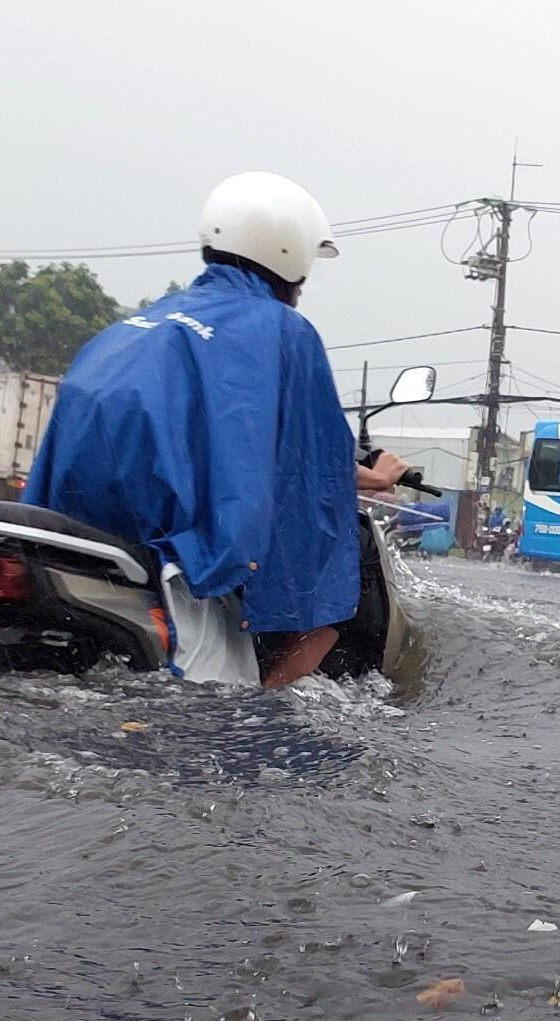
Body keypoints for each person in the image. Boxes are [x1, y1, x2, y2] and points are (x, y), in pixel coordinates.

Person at [22, 171, 409, 689]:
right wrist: (377, 479)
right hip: (175, 555)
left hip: (76, 544)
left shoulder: (133, 328)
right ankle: (269, 694)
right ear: (289, 253)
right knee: (338, 579)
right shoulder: (283, 332)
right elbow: (310, 465)